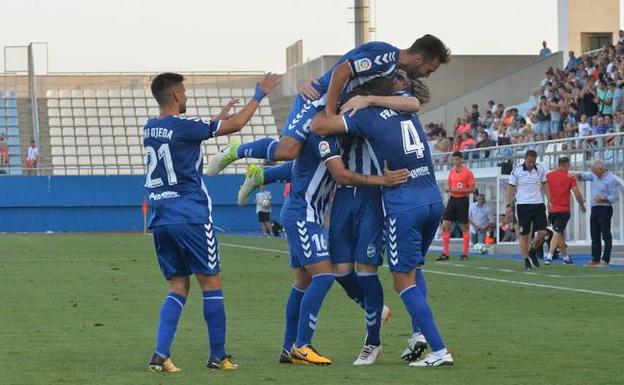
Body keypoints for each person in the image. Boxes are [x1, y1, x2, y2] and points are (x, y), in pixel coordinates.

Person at [312, 77, 455, 367]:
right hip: (429, 196)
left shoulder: (364, 113)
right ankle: (418, 334)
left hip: (396, 200)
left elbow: (319, 126)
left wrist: (322, 101)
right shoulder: (403, 105)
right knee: (410, 268)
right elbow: (414, 100)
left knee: (400, 278)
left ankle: (428, 348)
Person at [144, 72, 280, 372]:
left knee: (177, 286)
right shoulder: (184, 125)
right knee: (211, 284)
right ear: (177, 95)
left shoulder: (151, 128)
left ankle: (160, 353)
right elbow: (235, 126)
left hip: (161, 217)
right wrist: (259, 94)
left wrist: (217, 118)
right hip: (190, 214)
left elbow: (187, 133)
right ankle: (218, 356)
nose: (187, 96)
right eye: (185, 92)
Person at [206, 34, 450, 176]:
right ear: (419, 58)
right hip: (318, 99)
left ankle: (261, 177)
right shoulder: (385, 57)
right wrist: (330, 112)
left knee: (315, 161)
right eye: (430, 69)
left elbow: (413, 102)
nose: (428, 74)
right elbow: (342, 71)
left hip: (331, 104)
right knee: (288, 151)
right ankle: (236, 150)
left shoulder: (393, 69)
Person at [506, 150, 551, 270]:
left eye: (534, 162)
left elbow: (545, 184)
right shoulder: (517, 170)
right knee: (524, 235)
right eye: (530, 161)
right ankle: (526, 260)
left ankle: (533, 250)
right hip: (523, 205)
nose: (532, 164)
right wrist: (508, 206)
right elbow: (510, 188)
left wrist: (549, 200)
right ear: (525, 159)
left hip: (538, 204)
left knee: (543, 232)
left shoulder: (540, 169)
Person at [578, 161, 622, 266]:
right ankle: (595, 259)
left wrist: (604, 198)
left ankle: (605, 259)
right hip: (595, 208)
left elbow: (615, 197)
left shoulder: (611, 179)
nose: (592, 173)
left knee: (606, 234)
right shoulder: (594, 175)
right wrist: (575, 175)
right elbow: (584, 176)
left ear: (601, 170)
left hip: (605, 208)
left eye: (594, 171)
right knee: (594, 234)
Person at [545, 157, 586, 265]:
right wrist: (582, 205)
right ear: (567, 164)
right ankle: (549, 256)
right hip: (563, 209)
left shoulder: (549, 176)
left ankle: (566, 258)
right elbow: (577, 193)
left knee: (558, 233)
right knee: (558, 232)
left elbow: (543, 189)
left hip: (552, 209)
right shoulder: (569, 176)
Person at [438, 151, 475, 261]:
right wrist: (448, 189)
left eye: (457, 159)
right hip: (452, 200)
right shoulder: (452, 172)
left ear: (461, 159)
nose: (455, 161)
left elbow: (472, 189)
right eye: (454, 159)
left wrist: (458, 190)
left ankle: (465, 253)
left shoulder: (468, 173)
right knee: (445, 225)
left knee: (464, 227)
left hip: (462, 200)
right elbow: (449, 185)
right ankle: (445, 253)